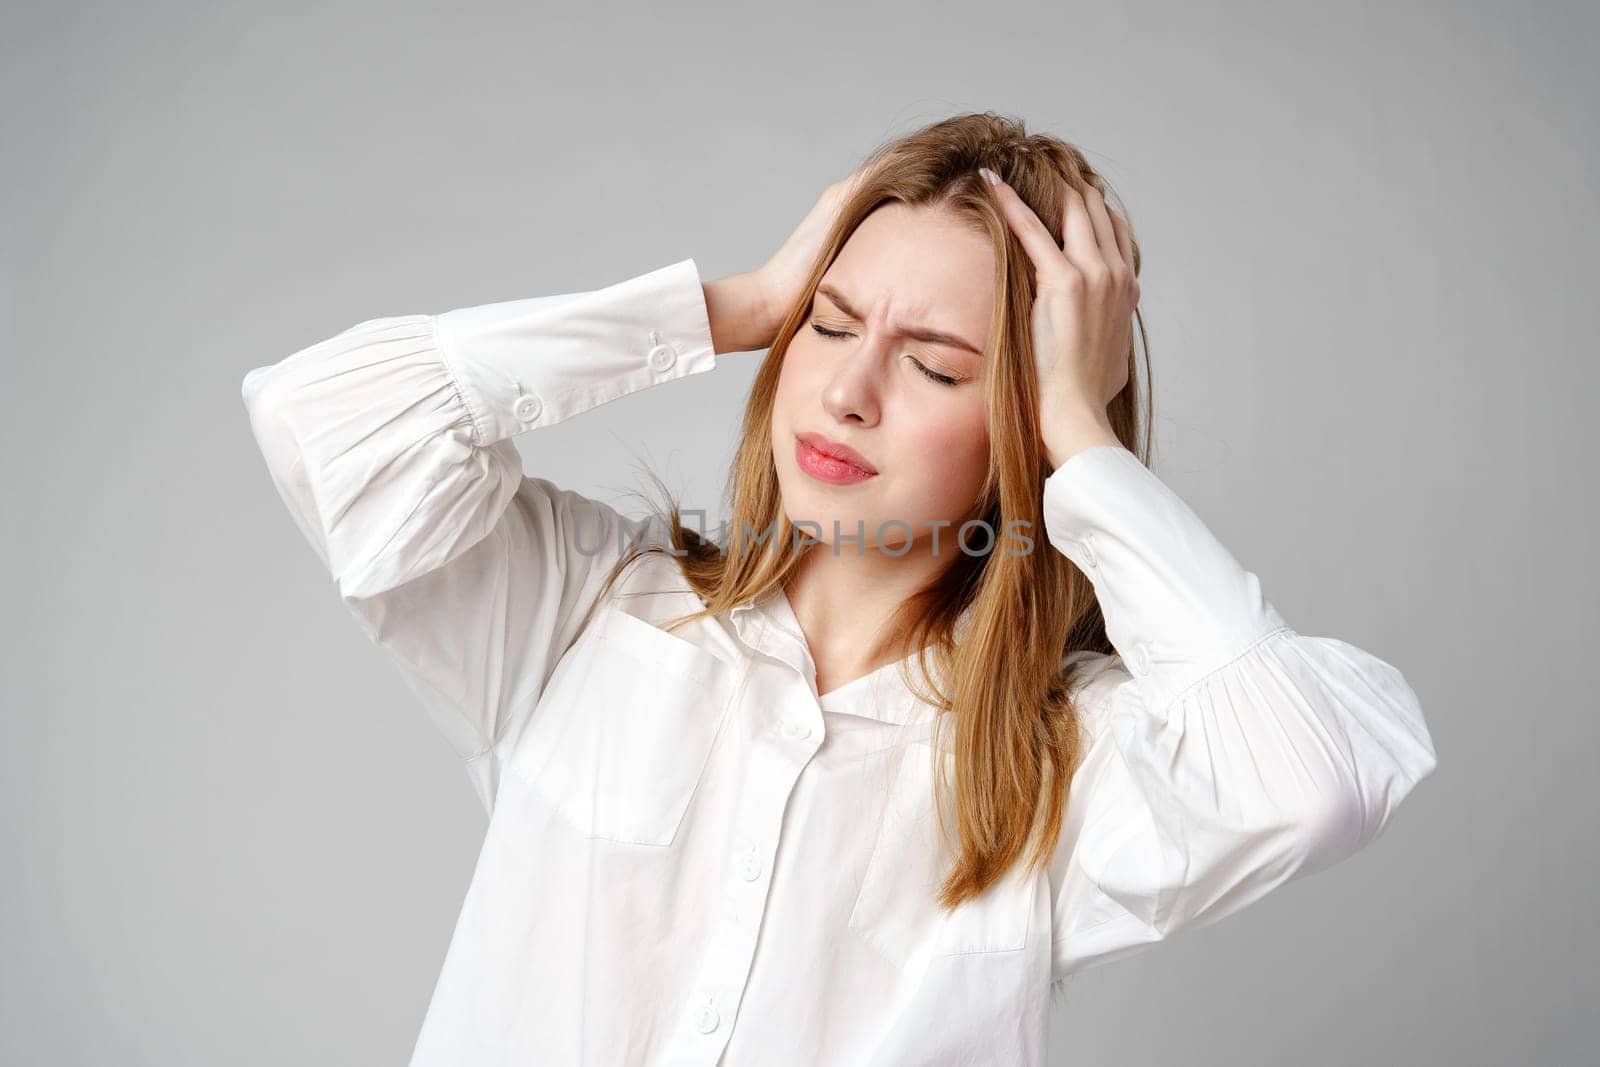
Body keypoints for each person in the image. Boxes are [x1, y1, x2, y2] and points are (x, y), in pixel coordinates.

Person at [240, 112, 1438, 1065]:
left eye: (932, 363)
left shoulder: (1055, 765)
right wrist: (735, 305)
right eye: (826, 323)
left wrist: (1082, 432)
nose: (848, 390)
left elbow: (1318, 774)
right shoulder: (582, 606)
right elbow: (322, 422)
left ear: (1016, 423)